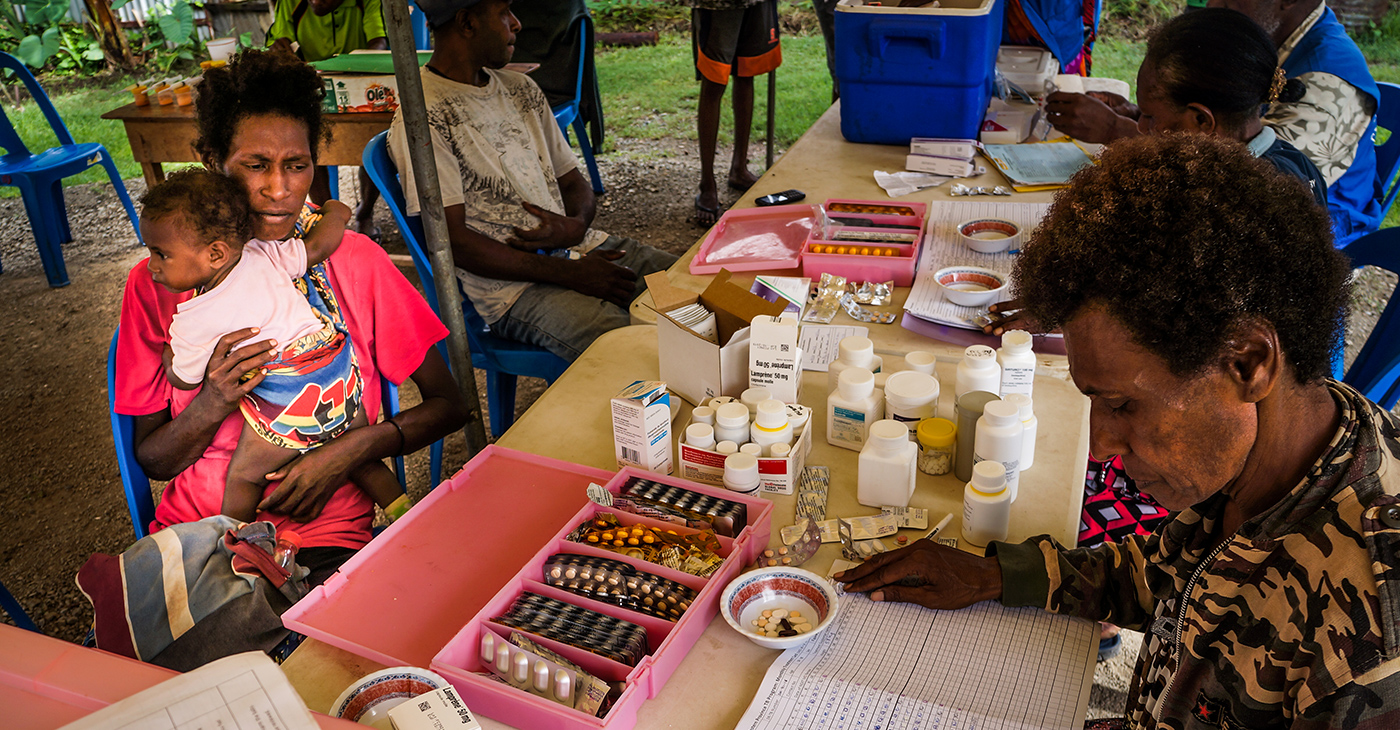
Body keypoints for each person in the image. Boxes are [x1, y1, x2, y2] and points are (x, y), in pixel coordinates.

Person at [838, 133, 1400, 727]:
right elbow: (1172, 577)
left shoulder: (1370, 645)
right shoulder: (1272, 450)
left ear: (1248, 364)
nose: (1100, 447)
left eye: (1122, 406)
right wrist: (1000, 574)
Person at [116, 48, 467, 595]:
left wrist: (348, 451)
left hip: (328, 534)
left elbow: (451, 406)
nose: (279, 189)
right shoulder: (159, 283)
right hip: (203, 532)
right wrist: (214, 398)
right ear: (214, 161)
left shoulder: (354, 262)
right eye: (255, 165)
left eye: (297, 165)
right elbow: (155, 459)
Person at [388, 0, 678, 362]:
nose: (517, 23)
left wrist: (575, 228)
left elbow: (576, 186)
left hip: (578, 252)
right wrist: (570, 273)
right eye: (504, 12)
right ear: (467, 23)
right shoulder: (425, 116)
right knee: (631, 349)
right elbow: (455, 243)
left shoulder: (521, 89)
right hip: (513, 292)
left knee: (691, 287)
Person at [141, 170, 409, 525]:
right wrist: (336, 214)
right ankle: (405, 512)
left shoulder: (194, 317)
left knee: (243, 477)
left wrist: (169, 358)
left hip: (292, 397)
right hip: (339, 375)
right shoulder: (263, 253)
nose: (151, 266)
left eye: (161, 254)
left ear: (216, 253)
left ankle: (235, 548)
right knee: (360, 458)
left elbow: (186, 380)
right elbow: (317, 247)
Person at [1044, 0, 1379, 247]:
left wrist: (1117, 130)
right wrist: (1140, 115)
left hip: (1324, 242)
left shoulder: (1327, 89)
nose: (1213, 4)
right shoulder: (1241, 125)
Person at [268, 0, 389, 239]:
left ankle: (365, 212)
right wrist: (279, 49)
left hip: (357, 87)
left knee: (369, 142)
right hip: (308, 89)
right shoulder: (289, 3)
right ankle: (328, 219)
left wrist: (362, 62)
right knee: (306, 146)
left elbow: (379, 40)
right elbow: (278, 42)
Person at [691, 0, 782, 225]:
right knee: (714, 80)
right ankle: (707, 182)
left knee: (746, 70)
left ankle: (739, 168)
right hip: (719, 3)